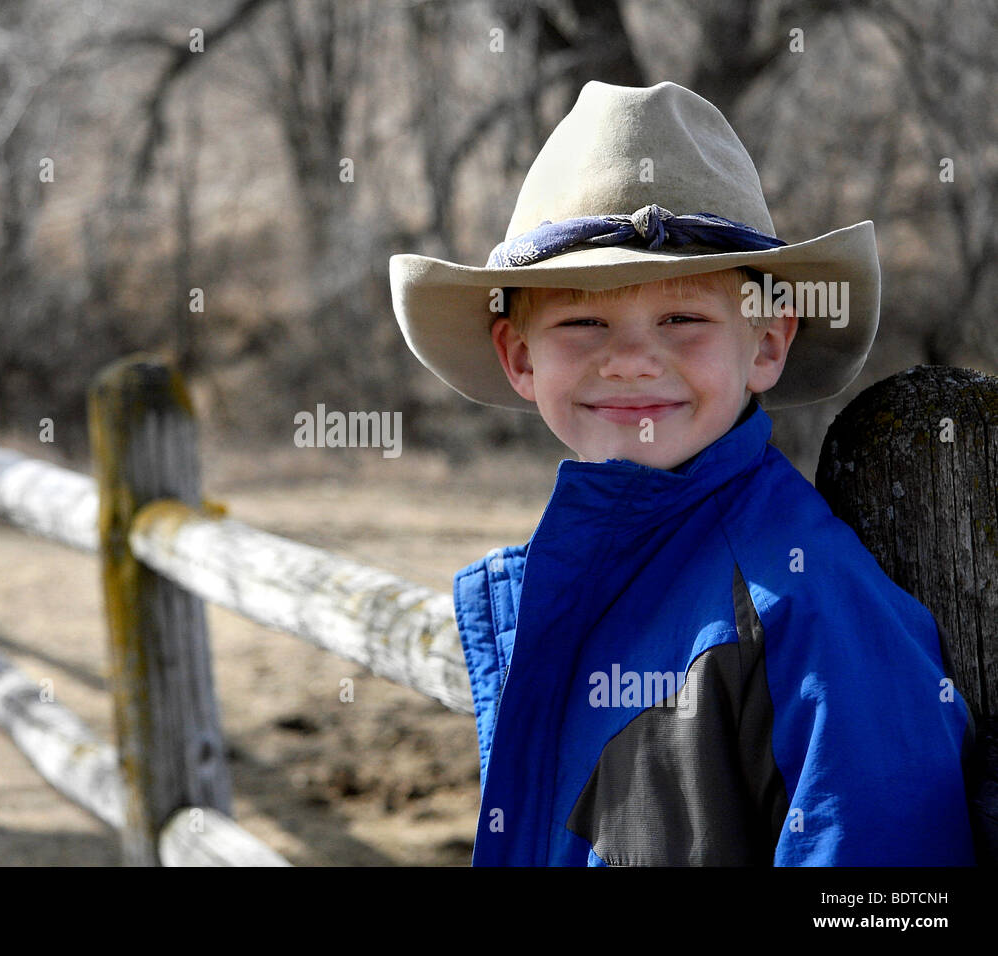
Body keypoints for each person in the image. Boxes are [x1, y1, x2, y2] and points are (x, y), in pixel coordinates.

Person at [388, 80, 976, 865]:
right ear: (520, 358)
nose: (631, 359)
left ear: (766, 345)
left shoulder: (811, 607)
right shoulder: (587, 576)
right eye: (582, 321)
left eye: (683, 319)